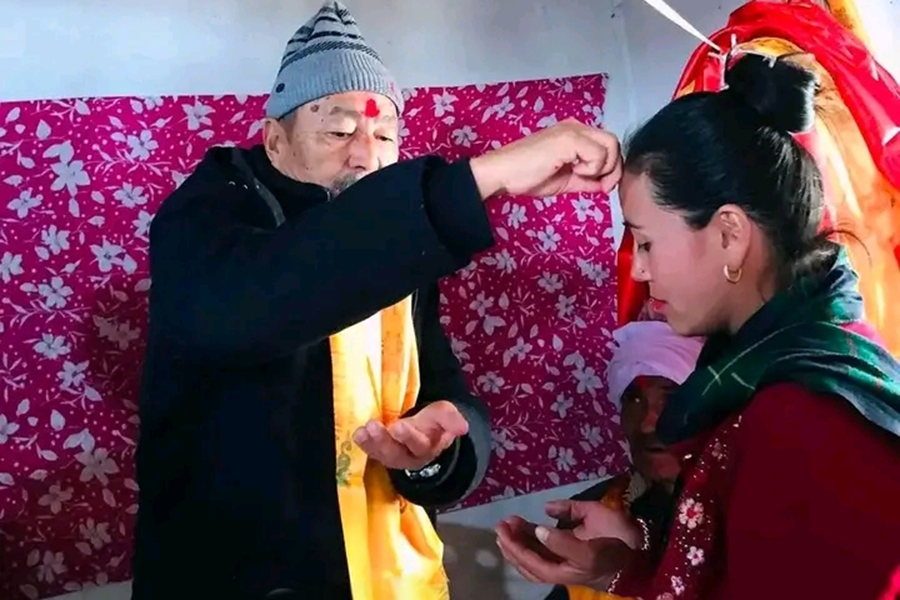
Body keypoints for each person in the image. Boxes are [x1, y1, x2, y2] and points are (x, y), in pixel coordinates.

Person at [132, 2, 622, 600]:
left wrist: (435, 452)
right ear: (275, 140)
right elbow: (258, 301)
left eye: (385, 135)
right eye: (339, 132)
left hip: (382, 573)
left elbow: (447, 394)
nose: (366, 156)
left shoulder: (397, 249)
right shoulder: (208, 215)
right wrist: (480, 179)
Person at [496, 53, 900, 600]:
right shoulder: (789, 364)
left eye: (646, 242)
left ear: (730, 234)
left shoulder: (800, 418)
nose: (639, 270)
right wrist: (622, 567)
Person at [540, 320, 703, 600]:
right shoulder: (590, 514)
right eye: (634, 400)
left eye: (672, 398)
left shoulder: (748, 510)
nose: (648, 424)